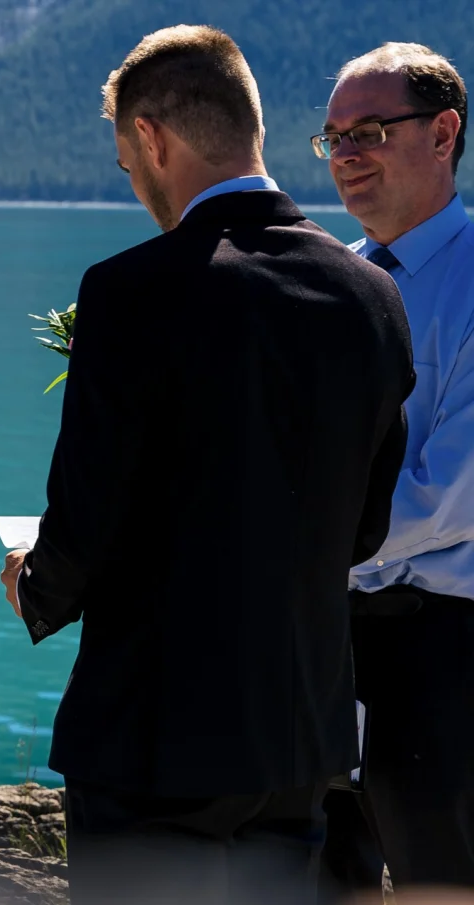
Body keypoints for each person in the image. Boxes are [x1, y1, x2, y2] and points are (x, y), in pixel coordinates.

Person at [0, 25, 414, 905]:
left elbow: (87, 515)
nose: (136, 183)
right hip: (301, 735)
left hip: (155, 736)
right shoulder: (373, 296)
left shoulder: (130, 291)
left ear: (151, 137)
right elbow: (365, 526)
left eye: (126, 162)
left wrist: (35, 584)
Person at [314, 42, 474, 903]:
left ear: (444, 132)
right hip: (326, 641)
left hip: (445, 653)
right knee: (320, 880)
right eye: (333, 138)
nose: (345, 156)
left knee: (441, 883)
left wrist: (299, 543)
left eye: (369, 131)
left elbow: (452, 491)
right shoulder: (333, 279)